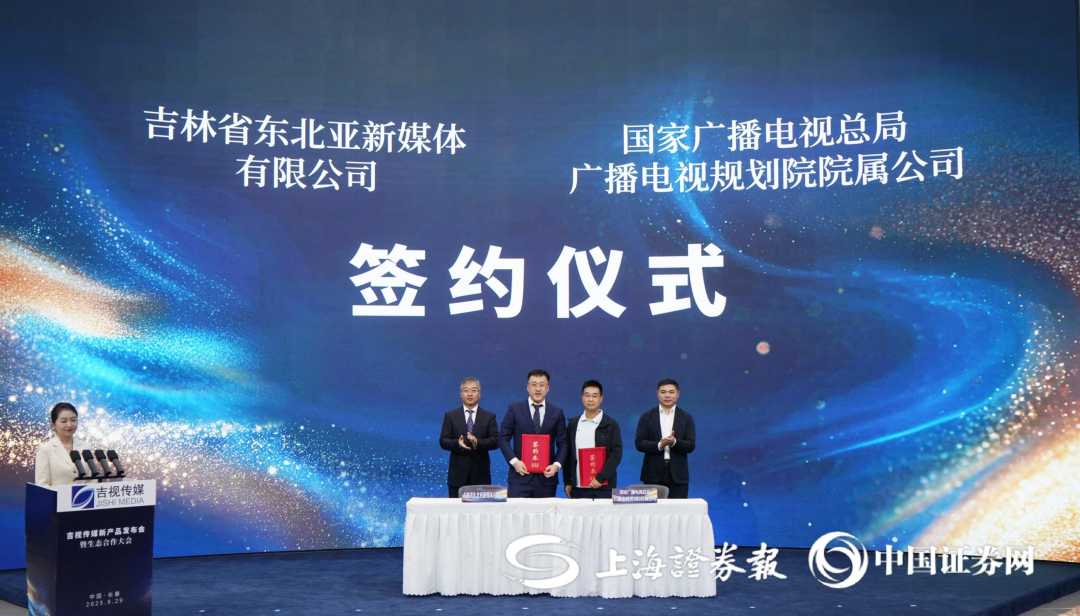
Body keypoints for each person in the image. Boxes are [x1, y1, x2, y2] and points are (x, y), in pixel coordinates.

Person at [498, 369, 566, 498]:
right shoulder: (515, 409)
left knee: (546, 512)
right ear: (527, 387)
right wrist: (514, 462)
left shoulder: (557, 412)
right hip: (519, 478)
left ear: (548, 388)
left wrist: (556, 465)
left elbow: (563, 443)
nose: (538, 389)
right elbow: (503, 438)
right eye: (534, 384)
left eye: (542, 385)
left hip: (547, 479)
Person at [635, 378, 696, 499]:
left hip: (678, 476)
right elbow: (639, 443)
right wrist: (659, 445)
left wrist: (674, 442)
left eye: (671, 392)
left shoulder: (686, 418)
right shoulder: (646, 417)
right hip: (652, 474)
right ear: (657, 394)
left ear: (678, 394)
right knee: (652, 510)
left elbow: (691, 445)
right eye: (663, 392)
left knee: (678, 510)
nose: (667, 395)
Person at [439, 377, 499, 497]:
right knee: (456, 509)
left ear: (479, 394)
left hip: (481, 476)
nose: (470, 394)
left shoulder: (489, 417)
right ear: (461, 394)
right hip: (457, 477)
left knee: (480, 509)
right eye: (466, 390)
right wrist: (457, 443)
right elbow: (443, 441)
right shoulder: (451, 416)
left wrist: (478, 442)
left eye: (474, 390)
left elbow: (496, 441)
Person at [563, 380, 621, 499]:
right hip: (578, 488)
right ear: (582, 397)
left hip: (603, 487)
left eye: (594, 396)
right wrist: (568, 482)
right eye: (587, 395)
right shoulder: (573, 424)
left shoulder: (611, 424)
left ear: (601, 399)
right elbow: (568, 455)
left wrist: (601, 478)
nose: (590, 399)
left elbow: (616, 455)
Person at [34, 402, 88, 486]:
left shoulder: (86, 447)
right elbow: (42, 485)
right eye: (64, 421)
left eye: (73, 420)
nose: (69, 425)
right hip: (57, 494)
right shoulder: (45, 449)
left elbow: (92, 480)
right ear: (53, 424)